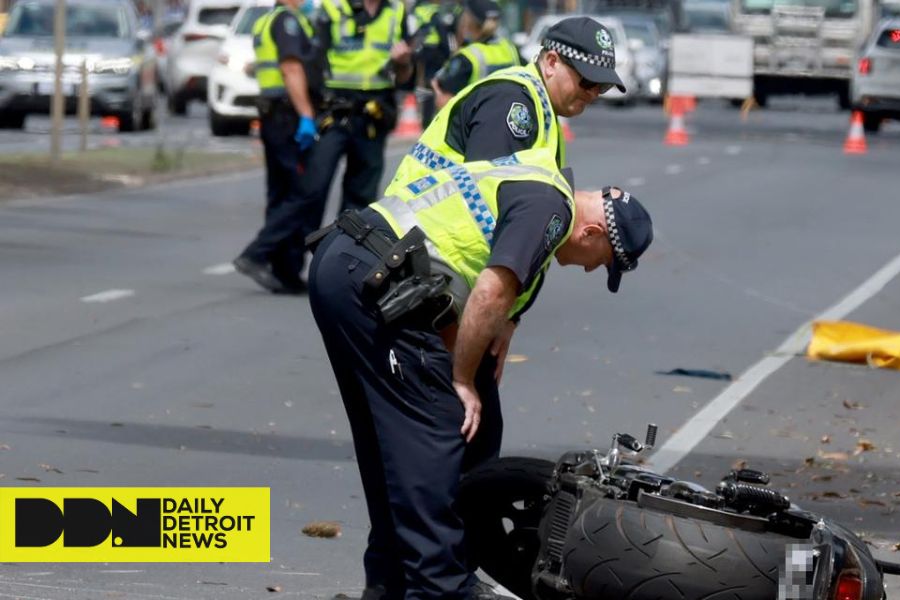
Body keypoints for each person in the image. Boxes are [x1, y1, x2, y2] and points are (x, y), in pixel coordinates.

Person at [307, 147, 653, 600]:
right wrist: (462, 382)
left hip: (348, 263)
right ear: (591, 232)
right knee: (436, 437)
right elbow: (490, 294)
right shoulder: (551, 213)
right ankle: (439, 589)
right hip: (371, 276)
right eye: (601, 261)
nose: (590, 268)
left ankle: (390, 582)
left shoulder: (539, 182)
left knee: (396, 442)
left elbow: (458, 288)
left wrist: (465, 375)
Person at [387, 16, 625, 189]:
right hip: (417, 241)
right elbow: (492, 197)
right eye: (588, 82)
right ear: (552, 63)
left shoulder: (545, 110)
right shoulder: (512, 103)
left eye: (602, 87)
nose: (594, 94)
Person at [233, 0, 323, 293]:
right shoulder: (287, 22)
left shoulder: (264, 20)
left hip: (271, 114)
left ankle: (285, 271)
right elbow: (291, 68)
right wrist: (307, 116)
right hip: (287, 115)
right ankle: (256, 254)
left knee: (280, 193)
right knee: (302, 194)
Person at [305, 0, 414, 217]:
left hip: (373, 111)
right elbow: (312, 64)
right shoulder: (331, 8)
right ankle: (300, 247)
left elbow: (405, 76)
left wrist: (403, 61)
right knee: (314, 186)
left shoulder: (395, 11)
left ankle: (345, 248)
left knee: (361, 195)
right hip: (333, 108)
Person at [430, 0, 523, 108]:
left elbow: (445, 101)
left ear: (468, 21)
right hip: (506, 118)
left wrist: (436, 89)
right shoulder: (510, 49)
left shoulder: (466, 58)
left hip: (475, 122)